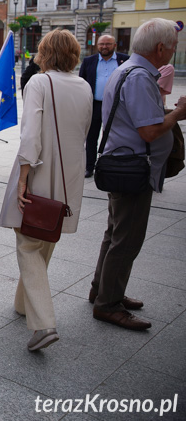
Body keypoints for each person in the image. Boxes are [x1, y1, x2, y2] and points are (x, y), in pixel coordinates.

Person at [0, 29, 92, 351]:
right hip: (70, 175)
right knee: (46, 235)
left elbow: (31, 135)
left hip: (38, 168)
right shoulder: (84, 85)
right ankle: (24, 304)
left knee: (27, 243)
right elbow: (84, 132)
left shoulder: (39, 81)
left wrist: (23, 177)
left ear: (44, 52)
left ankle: (43, 324)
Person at [91, 18, 186, 331]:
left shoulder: (127, 69)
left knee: (115, 233)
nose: (173, 51)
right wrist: (177, 114)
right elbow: (149, 131)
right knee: (127, 240)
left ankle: (102, 290)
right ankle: (109, 304)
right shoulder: (140, 77)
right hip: (132, 168)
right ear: (160, 48)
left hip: (122, 163)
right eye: (173, 46)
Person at [78, 34, 129, 178]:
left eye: (108, 44)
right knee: (91, 137)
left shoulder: (125, 60)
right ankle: (89, 167)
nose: (104, 47)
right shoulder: (89, 61)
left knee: (115, 136)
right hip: (94, 105)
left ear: (114, 45)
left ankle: (113, 165)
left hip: (116, 106)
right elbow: (81, 82)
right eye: (101, 44)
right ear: (97, 45)